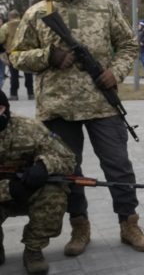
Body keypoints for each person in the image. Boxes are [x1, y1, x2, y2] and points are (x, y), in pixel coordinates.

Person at [8, 0, 144, 257]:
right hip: (57, 108)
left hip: (102, 104)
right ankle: (80, 226)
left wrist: (116, 72)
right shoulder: (36, 12)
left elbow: (129, 44)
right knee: (68, 172)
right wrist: (48, 56)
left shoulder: (104, 7)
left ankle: (129, 224)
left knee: (119, 167)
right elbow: (16, 55)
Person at [0, 89, 76, 275]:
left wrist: (44, 166)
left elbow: (67, 157)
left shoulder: (28, 127)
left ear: (2, 109)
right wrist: (8, 188)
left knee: (54, 193)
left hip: (30, 192)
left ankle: (33, 250)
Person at [0, 10, 34, 100]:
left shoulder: (6, 26)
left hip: (12, 53)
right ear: (19, 16)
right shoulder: (26, 24)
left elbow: (1, 39)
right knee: (28, 73)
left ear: (9, 16)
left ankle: (14, 94)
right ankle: (31, 93)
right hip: (26, 52)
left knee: (14, 74)